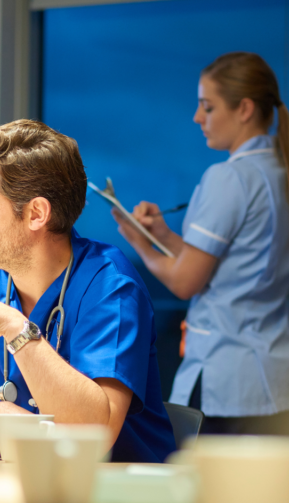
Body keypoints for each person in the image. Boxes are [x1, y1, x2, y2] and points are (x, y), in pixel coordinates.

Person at [0, 120, 176, 463]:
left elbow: (92, 437)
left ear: (36, 214)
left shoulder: (109, 286)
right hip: (22, 493)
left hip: (119, 499)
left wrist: (16, 329)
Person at [113, 52, 289, 435]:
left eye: (207, 107)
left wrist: (137, 242)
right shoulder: (279, 172)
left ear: (244, 108)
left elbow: (185, 281)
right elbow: (229, 262)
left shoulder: (229, 177)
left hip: (227, 381)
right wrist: (162, 236)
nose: (197, 117)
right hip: (275, 381)